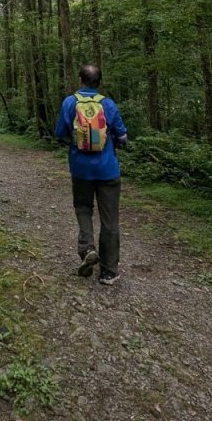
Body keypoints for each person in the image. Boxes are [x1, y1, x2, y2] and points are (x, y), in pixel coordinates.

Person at [55, 64, 128, 285]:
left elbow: (60, 133)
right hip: (108, 170)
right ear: (99, 82)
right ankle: (108, 271)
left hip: (81, 169)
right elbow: (122, 137)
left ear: (81, 80)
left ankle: (87, 248)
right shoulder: (108, 103)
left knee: (83, 208)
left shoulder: (70, 102)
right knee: (110, 219)